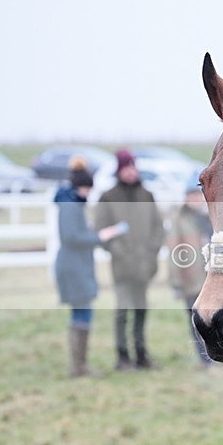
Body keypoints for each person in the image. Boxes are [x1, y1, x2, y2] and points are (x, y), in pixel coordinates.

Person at [94, 149, 165, 370]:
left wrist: (151, 252)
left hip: (144, 265)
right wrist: (119, 251)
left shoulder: (146, 195)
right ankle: (122, 357)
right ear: (119, 170)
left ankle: (141, 355)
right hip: (122, 267)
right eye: (127, 167)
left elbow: (158, 227)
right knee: (123, 311)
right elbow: (101, 231)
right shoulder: (108, 197)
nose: (131, 171)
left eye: (133, 166)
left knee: (141, 310)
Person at [54, 156, 123, 377]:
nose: (89, 193)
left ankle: (80, 365)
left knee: (82, 313)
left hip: (76, 266)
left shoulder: (71, 204)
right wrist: (99, 236)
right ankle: (79, 366)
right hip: (74, 268)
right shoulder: (70, 207)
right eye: (87, 189)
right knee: (82, 314)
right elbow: (71, 237)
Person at [170, 171, 213, 367]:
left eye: (198, 195)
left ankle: (217, 354)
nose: (195, 199)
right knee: (196, 322)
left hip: (212, 280)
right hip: (191, 280)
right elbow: (174, 253)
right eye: (191, 195)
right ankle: (204, 359)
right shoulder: (179, 220)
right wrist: (177, 283)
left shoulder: (210, 218)